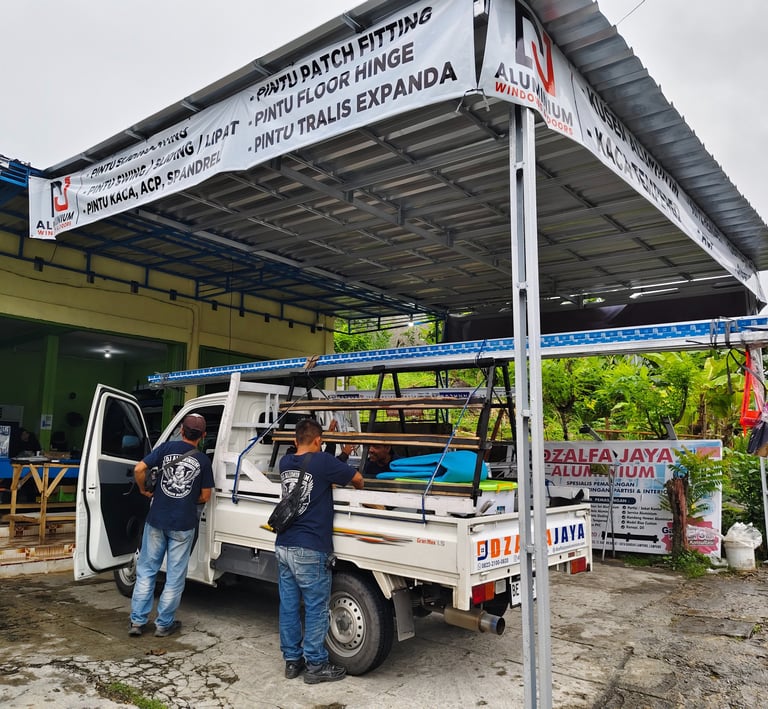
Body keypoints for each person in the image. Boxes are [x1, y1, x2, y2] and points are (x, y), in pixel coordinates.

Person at [275, 418, 363, 684]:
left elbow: (317, 468)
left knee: (289, 606)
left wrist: (342, 452)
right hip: (311, 548)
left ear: (294, 441)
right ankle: (315, 665)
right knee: (315, 607)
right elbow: (357, 479)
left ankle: (292, 662)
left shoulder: (285, 463)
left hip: (283, 545)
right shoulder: (323, 463)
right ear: (317, 441)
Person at [129, 413, 214, 638]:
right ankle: (163, 625)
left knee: (147, 571)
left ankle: (137, 622)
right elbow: (206, 496)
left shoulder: (165, 449)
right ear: (203, 436)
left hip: (156, 520)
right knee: (175, 577)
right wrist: (186, 497)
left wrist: (142, 489)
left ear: (181, 431)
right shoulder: (203, 461)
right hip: (183, 524)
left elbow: (139, 469)